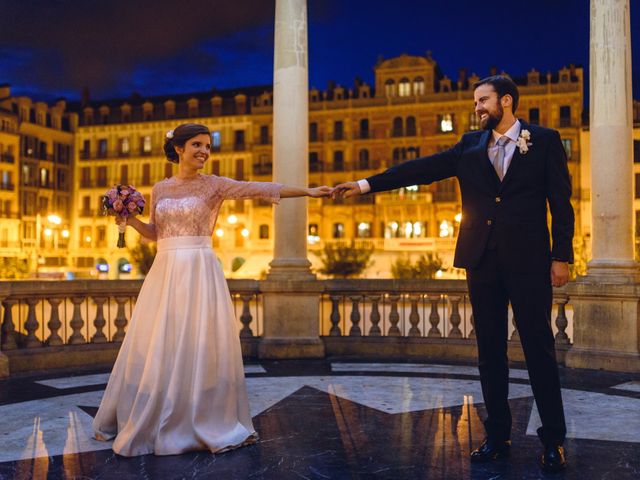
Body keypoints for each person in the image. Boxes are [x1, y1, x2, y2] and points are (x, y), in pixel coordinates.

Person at [332, 76, 573, 473]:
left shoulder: (544, 140)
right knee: (489, 353)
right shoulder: (469, 145)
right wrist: (365, 184)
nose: (477, 107)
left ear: (506, 101)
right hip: (481, 261)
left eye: (483, 100)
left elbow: (561, 205)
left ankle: (554, 440)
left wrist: (561, 256)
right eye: (475, 101)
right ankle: (497, 437)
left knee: (539, 350)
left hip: (530, 261)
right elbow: (420, 170)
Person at [93, 123, 331, 457]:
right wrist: (127, 218)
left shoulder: (215, 185)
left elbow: (257, 187)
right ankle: (158, 411)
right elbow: (156, 233)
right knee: (162, 338)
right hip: (165, 270)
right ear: (178, 148)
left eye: (208, 146)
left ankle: (198, 416)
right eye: (197, 145)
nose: (204, 151)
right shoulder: (159, 188)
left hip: (199, 269)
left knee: (198, 340)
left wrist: (307, 191)